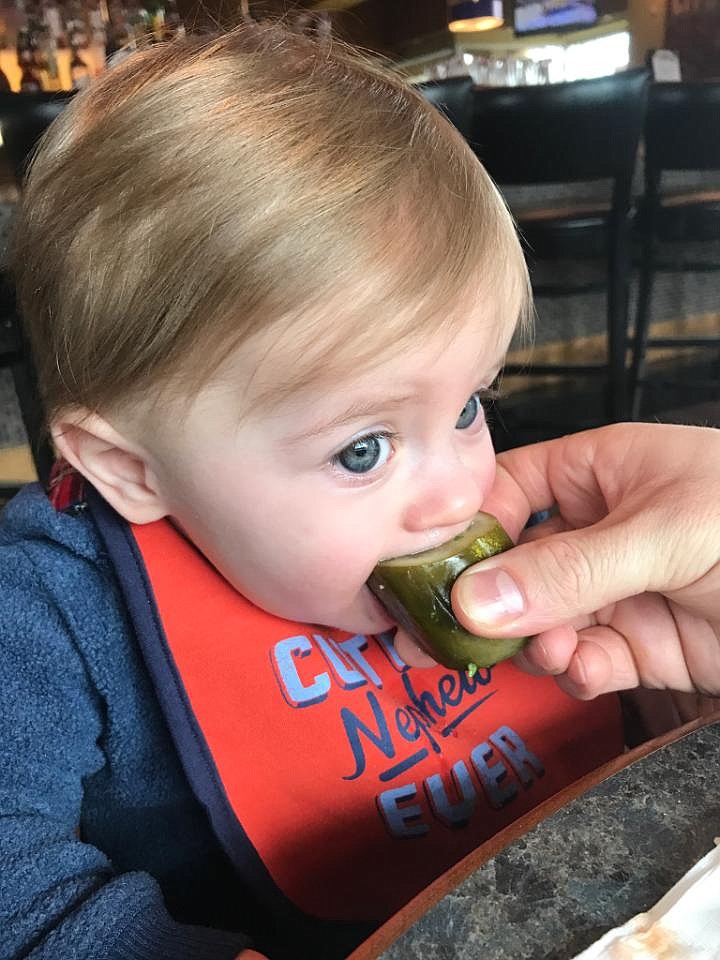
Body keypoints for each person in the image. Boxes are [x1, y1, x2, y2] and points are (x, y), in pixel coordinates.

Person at [0, 20, 700, 960]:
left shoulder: (514, 518)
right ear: (131, 468)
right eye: (364, 451)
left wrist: (667, 701)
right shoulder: (51, 608)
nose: (459, 493)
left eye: (468, 407)